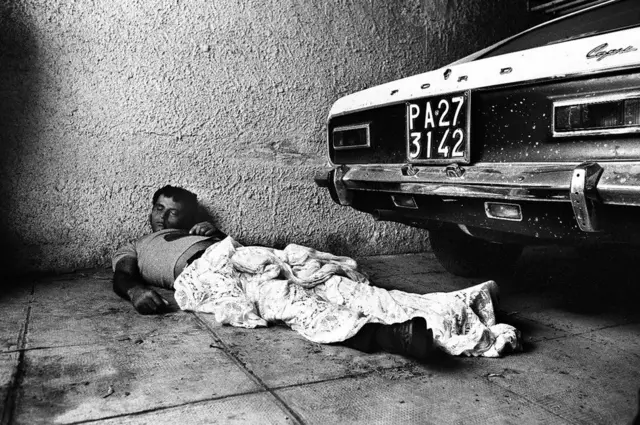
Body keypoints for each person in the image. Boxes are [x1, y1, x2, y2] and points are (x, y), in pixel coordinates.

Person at [112, 185, 434, 361]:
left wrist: (214, 233)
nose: (163, 217)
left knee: (325, 279)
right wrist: (135, 292)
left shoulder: (200, 230)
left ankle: (422, 310)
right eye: (159, 208)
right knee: (282, 299)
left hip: (237, 254)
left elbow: (238, 248)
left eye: (173, 213)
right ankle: (383, 336)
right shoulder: (137, 245)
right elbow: (123, 275)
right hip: (203, 272)